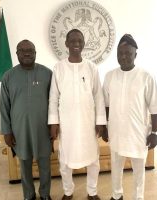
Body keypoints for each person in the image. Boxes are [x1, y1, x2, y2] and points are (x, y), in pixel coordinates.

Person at [103, 34, 157, 200]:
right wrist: (105, 127)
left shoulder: (146, 76)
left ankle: (138, 197)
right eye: (120, 53)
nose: (123, 57)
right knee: (116, 167)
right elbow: (106, 105)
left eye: (128, 53)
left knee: (139, 170)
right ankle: (117, 195)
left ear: (135, 55)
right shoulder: (109, 76)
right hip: (116, 131)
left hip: (138, 133)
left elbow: (155, 107)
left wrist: (154, 133)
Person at [48, 29, 106, 200]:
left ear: (84, 43)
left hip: (88, 121)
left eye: (79, 40)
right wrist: (53, 123)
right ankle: (68, 191)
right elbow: (53, 97)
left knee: (93, 159)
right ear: (66, 43)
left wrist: (100, 121)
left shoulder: (91, 67)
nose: (76, 44)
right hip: (67, 122)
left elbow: (98, 96)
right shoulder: (58, 68)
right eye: (72, 41)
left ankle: (92, 191)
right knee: (65, 159)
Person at [0, 39, 52, 200]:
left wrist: (54, 126)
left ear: (36, 53)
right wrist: (6, 131)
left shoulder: (47, 73)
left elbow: (55, 102)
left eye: (30, 50)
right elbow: (4, 106)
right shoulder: (8, 76)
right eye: (22, 50)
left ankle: (45, 194)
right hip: (19, 129)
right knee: (25, 164)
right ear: (17, 54)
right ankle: (28, 195)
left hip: (43, 129)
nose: (27, 53)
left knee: (45, 164)